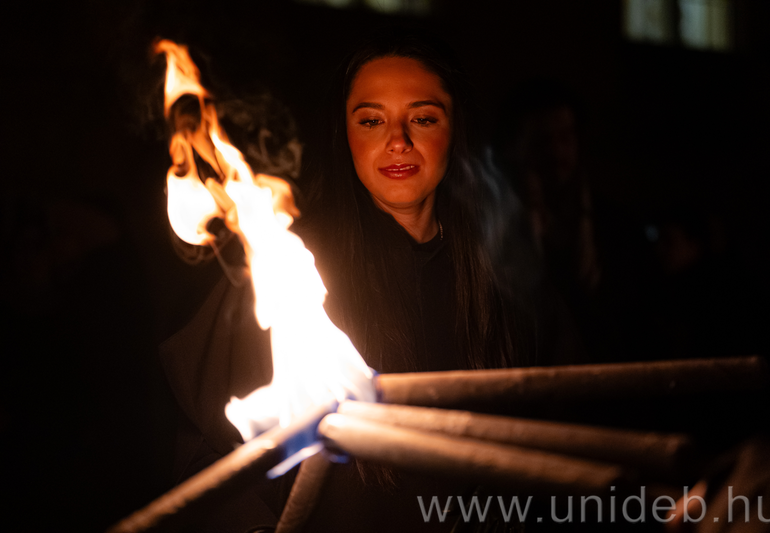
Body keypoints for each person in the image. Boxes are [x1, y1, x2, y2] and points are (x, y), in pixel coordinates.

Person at [161, 28, 538, 532]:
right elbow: (209, 454)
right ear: (346, 134)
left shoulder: (500, 275)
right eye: (372, 120)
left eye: (423, 118)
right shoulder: (287, 267)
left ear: (456, 130)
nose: (398, 141)